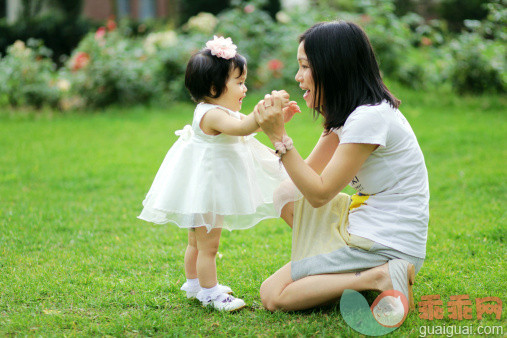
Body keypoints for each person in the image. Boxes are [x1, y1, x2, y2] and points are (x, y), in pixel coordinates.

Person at [254, 21, 429, 312]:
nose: (298, 77)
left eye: (306, 66)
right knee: (285, 195)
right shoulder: (350, 115)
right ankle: (341, 270)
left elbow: (319, 193)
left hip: (388, 242)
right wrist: (270, 135)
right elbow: (302, 180)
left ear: (333, 67)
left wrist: (279, 138)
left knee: (274, 294)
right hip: (369, 227)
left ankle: (378, 275)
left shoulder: (369, 118)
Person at [138, 36, 300, 312]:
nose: (245, 88)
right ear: (214, 88)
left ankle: (194, 284)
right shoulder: (210, 115)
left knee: (197, 241)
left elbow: (246, 125)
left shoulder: (219, 111)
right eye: (238, 82)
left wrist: (276, 120)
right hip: (207, 189)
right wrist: (267, 110)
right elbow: (243, 127)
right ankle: (210, 293)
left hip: (203, 187)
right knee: (208, 246)